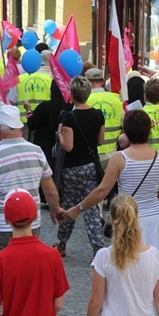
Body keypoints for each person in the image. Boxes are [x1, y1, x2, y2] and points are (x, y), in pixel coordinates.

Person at [0, 105, 61, 277]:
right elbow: (50, 190)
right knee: (26, 275)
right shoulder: (37, 151)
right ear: (20, 128)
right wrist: (54, 209)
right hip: (31, 224)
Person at [59, 110, 159, 259]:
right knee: (154, 264)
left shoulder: (120, 158)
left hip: (127, 216)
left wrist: (78, 209)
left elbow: (102, 191)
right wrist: (158, 212)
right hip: (154, 218)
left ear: (126, 131)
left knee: (127, 265)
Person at [53, 76, 106, 256]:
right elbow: (100, 141)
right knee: (91, 207)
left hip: (72, 169)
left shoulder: (69, 117)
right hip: (91, 167)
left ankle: (61, 243)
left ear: (72, 94)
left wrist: (59, 134)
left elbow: (68, 146)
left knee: (69, 205)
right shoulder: (98, 114)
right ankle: (98, 248)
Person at [86, 67, 124, 169]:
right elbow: (125, 124)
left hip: (89, 153)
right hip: (111, 154)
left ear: (86, 82)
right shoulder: (117, 100)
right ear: (103, 82)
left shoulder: (83, 100)